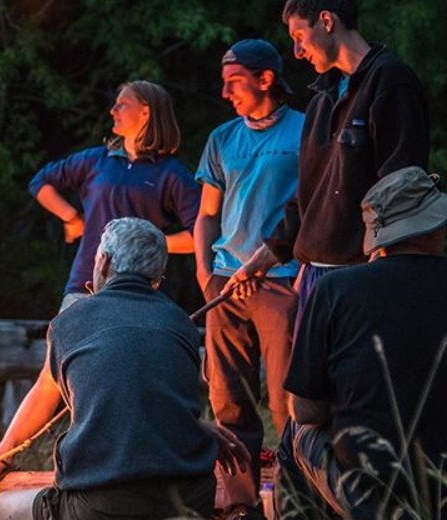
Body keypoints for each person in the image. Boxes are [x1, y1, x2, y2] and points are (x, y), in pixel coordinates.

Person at [0, 217, 250, 520]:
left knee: (3, 509)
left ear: (104, 262)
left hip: (101, 504)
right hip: (188, 498)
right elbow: (151, 392)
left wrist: (2, 456)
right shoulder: (180, 322)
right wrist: (196, 426)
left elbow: (58, 392)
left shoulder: (69, 322)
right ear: (157, 278)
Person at [223, 0, 430, 327]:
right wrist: (261, 259)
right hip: (314, 279)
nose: (297, 51)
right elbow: (307, 197)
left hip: (363, 275)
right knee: (310, 380)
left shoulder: (391, 81)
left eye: (299, 36)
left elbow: (402, 182)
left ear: (326, 21)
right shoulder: (321, 100)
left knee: (360, 376)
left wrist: (383, 265)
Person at [275, 166, 447, 519]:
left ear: (378, 238)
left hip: (372, 494)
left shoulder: (336, 289)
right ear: (435, 225)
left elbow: (306, 410)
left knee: (295, 433)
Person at [194, 39, 303, 519]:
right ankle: (240, 505)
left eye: (234, 82)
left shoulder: (306, 130)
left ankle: (299, 498)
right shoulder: (222, 139)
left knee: (288, 399)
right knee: (228, 398)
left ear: (265, 79)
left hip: (283, 278)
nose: (225, 93)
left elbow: (313, 210)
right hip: (225, 283)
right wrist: (205, 275)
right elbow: (206, 216)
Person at [28, 81, 201, 312]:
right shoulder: (97, 160)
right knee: (67, 348)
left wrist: (146, 244)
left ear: (145, 112)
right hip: (85, 284)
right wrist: (71, 217)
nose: (113, 111)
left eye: (122, 105)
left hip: (139, 292)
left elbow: (199, 234)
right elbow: (41, 182)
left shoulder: (171, 173)